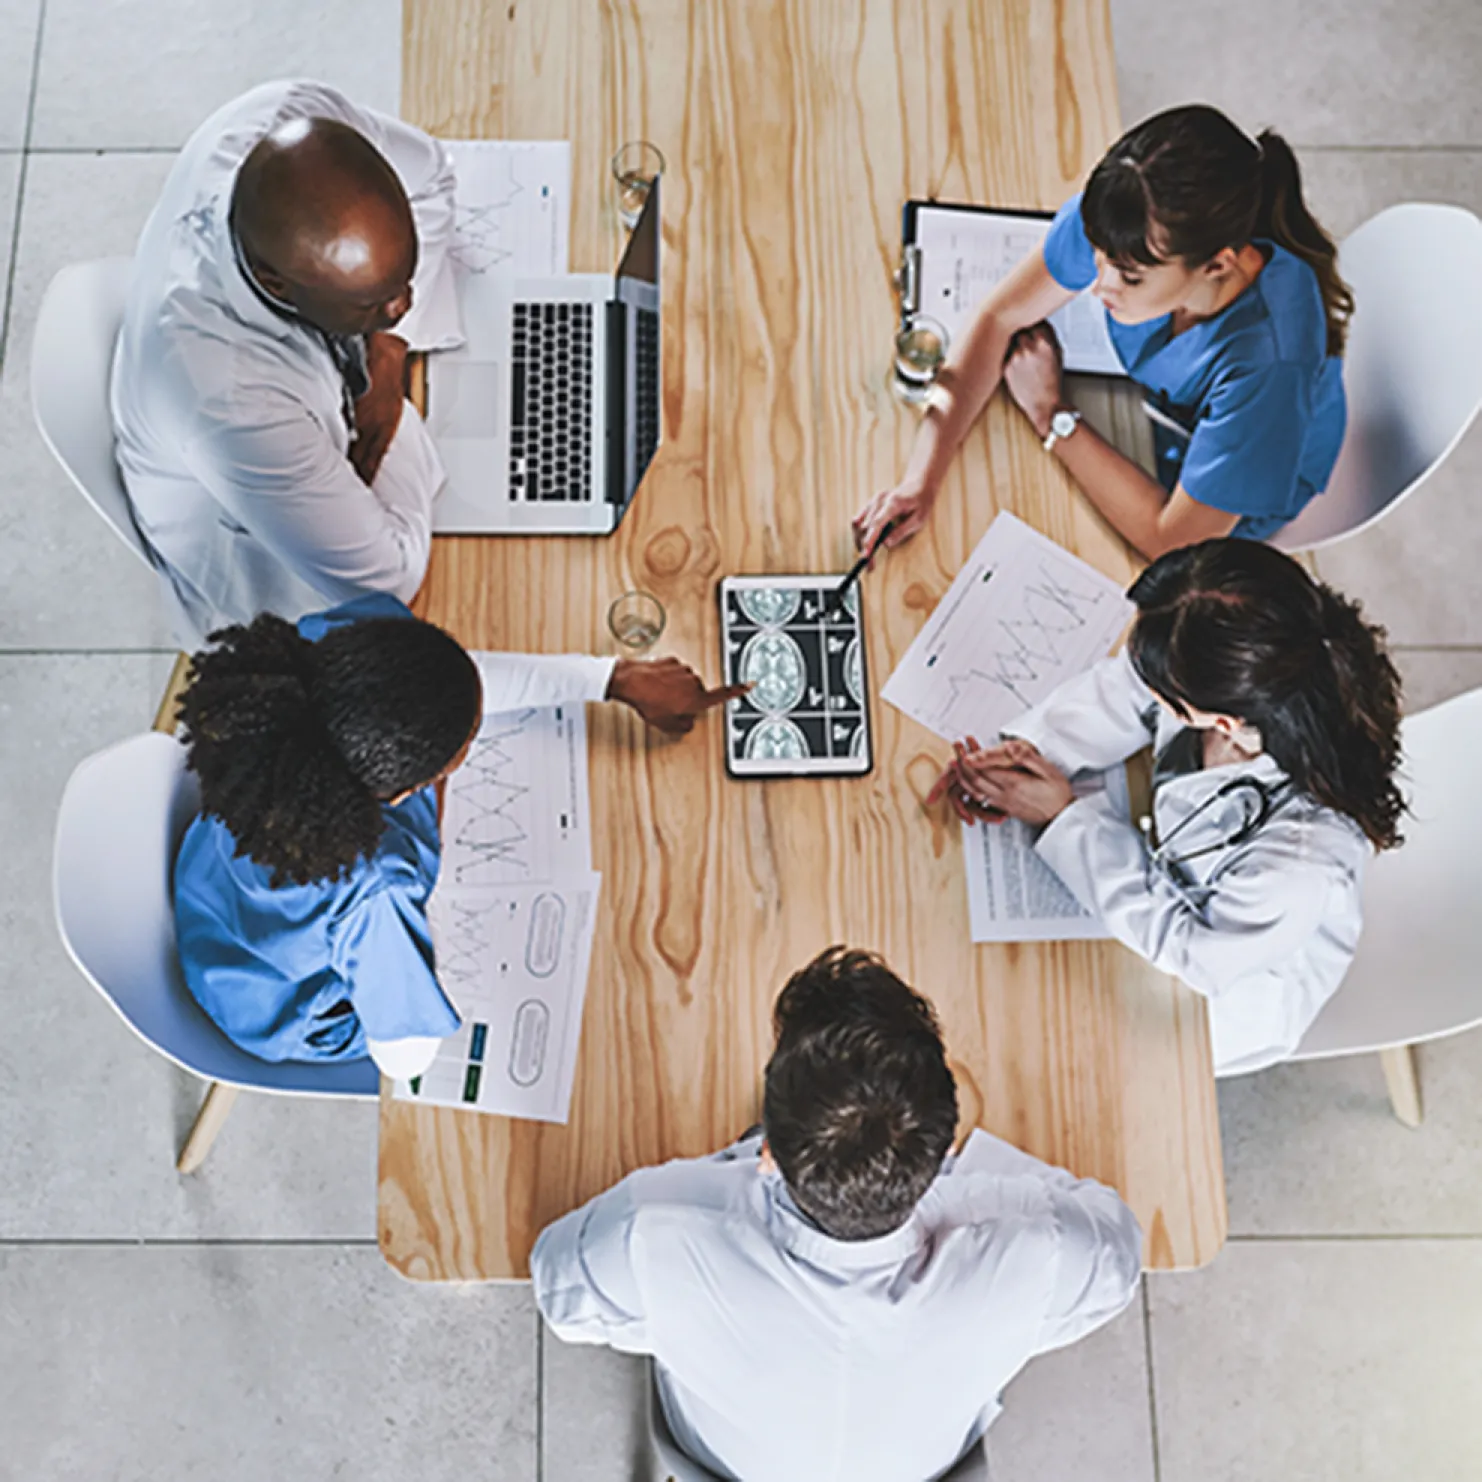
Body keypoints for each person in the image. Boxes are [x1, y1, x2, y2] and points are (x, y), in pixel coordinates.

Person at [531, 947, 1143, 1482]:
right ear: (939, 1149)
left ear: (769, 1149)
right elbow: (1119, 1252)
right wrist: (989, 1182)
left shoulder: (660, 1229)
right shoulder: (1037, 1247)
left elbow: (559, 1287)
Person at [172, 590, 742, 1079]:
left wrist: (614, 679)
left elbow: (457, 678)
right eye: (458, 757)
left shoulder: (329, 655)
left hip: (210, 890)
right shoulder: (378, 891)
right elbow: (404, 1057)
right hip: (276, 1004)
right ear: (400, 795)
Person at [929, 540, 1404, 1076]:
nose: (1147, 689)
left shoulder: (1299, 863)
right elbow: (1129, 687)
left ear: (1222, 722)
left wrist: (1064, 820)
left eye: (1166, 697)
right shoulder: (1247, 656)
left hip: (1216, 994)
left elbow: (1191, 950)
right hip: (1178, 906)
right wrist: (1038, 752)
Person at [856, 104, 1351, 561]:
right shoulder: (1126, 221)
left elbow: (1172, 539)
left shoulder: (1268, 367)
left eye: (1129, 277)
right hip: (1175, 415)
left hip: (1231, 495)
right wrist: (919, 481)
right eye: (1097, 255)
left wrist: (1051, 413)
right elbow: (999, 317)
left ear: (1217, 265)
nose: (1100, 284)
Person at [112, 80, 466, 646]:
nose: (404, 307)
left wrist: (390, 347)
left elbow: (430, 174)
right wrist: (391, 409)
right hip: (261, 565)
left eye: (405, 277)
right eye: (374, 303)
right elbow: (386, 580)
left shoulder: (288, 113)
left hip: (293, 445)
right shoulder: (230, 400)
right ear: (277, 283)